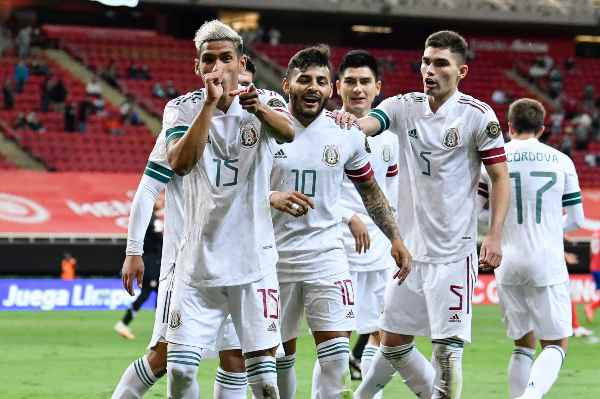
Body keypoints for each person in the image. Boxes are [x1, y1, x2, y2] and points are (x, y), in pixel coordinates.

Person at [345, 31, 510, 399]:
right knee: (394, 343)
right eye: (426, 61)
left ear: (461, 71)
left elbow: (500, 177)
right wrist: (350, 126)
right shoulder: (404, 106)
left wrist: (495, 234)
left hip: (454, 254)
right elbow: (371, 121)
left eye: (440, 63)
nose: (429, 70)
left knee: (447, 354)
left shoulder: (477, 116)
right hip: (411, 254)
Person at [269, 45, 410, 399]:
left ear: (330, 89)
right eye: (304, 80)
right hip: (274, 259)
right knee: (280, 357)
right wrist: (270, 198)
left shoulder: (344, 133)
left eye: (320, 81)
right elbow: (238, 191)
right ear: (287, 84)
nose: (313, 87)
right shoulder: (266, 131)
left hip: (327, 257)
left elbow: (371, 191)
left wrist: (394, 236)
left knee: (334, 359)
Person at [164, 20, 294, 398]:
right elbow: (181, 163)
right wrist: (208, 106)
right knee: (181, 371)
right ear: (197, 67)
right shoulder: (182, 108)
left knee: (265, 382)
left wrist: (259, 112)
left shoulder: (266, 102)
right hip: (197, 265)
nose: (217, 67)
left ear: (241, 61)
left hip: (252, 267)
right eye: (209, 60)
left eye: (226, 58)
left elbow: (288, 132)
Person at [478, 98, 584, 399]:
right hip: (547, 262)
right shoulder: (561, 161)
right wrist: (551, 229)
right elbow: (575, 218)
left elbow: (475, 214)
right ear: (542, 128)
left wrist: (504, 226)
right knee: (555, 344)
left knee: (522, 344)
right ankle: (530, 396)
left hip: (507, 261)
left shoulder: (494, 161)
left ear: (508, 126)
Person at [334, 50, 400, 395]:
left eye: (364, 82)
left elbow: (393, 197)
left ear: (378, 88)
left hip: (380, 252)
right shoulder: (325, 129)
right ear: (338, 86)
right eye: (350, 82)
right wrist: (348, 216)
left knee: (385, 334)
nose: (357, 89)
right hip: (335, 250)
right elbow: (311, 193)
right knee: (335, 338)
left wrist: (399, 240)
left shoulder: (390, 140)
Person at [585, 229, 600, 323]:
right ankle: (590, 307)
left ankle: (591, 307)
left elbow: (591, 252)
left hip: (594, 266)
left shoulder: (595, 233)